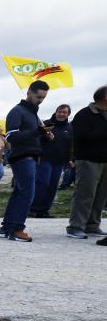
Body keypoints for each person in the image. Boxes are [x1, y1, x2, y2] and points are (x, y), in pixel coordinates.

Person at [1, 80, 51, 242]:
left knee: (19, 193)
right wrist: (37, 131)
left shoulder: (33, 114)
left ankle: (7, 227)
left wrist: (45, 135)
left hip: (30, 156)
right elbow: (11, 137)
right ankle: (16, 229)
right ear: (29, 92)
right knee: (27, 194)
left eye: (43, 98)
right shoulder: (17, 111)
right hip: (21, 157)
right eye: (38, 97)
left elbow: (32, 137)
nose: (40, 100)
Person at [67, 85, 107, 242]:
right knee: (85, 194)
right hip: (88, 160)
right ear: (104, 98)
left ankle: (92, 224)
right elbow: (80, 137)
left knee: (101, 196)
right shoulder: (84, 115)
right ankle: (76, 226)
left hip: (105, 160)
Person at [31, 104, 73, 218]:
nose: (62, 114)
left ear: (68, 114)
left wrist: (69, 159)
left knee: (53, 185)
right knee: (43, 183)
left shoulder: (69, 127)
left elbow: (70, 145)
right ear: (56, 111)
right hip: (45, 159)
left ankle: (44, 210)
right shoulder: (47, 124)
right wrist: (45, 137)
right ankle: (34, 208)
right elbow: (36, 139)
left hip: (59, 161)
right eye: (60, 111)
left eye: (65, 112)